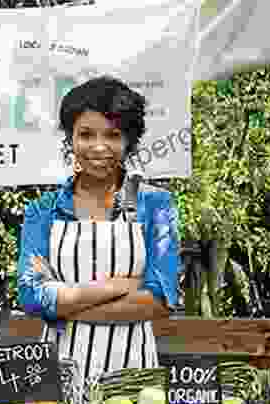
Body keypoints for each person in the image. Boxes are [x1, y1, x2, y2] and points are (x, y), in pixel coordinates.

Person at [17, 76, 180, 381]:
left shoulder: (156, 206)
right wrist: (118, 286)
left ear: (129, 141)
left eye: (113, 135)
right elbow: (31, 295)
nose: (99, 147)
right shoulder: (42, 211)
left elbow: (161, 298)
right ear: (70, 139)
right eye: (86, 135)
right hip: (56, 375)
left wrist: (65, 306)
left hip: (133, 380)